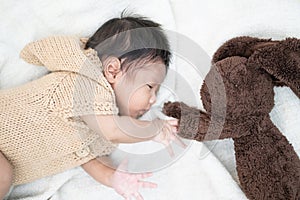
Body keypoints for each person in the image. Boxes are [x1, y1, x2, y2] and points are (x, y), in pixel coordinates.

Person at [0, 14, 184, 200]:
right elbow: (113, 130)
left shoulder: (95, 126)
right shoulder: (86, 83)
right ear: (113, 71)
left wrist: (114, 178)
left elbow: (89, 159)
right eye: (150, 87)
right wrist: (153, 129)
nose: (153, 100)